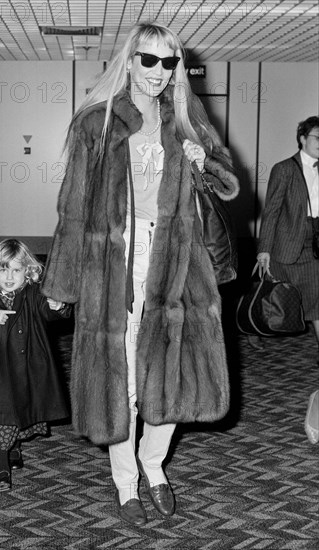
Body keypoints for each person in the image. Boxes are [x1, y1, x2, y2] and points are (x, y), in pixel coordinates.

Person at [42, 22, 239, 525]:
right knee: (123, 382)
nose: (158, 72)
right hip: (118, 265)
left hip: (178, 263)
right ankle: (126, 481)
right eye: (148, 60)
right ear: (128, 62)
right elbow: (73, 211)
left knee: (170, 378)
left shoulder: (186, 118)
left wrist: (205, 161)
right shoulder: (97, 123)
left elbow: (229, 182)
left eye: (168, 62)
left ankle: (155, 467)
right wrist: (62, 285)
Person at [0, 239, 71, 492]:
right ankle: (2, 469)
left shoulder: (33, 293)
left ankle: (13, 449)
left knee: (22, 410)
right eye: (3, 270)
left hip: (28, 364)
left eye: (16, 270)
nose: (9, 276)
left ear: (28, 272)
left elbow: (48, 310)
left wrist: (58, 306)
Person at [257, 116, 319, 365]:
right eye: (317, 137)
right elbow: (270, 211)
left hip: (315, 243)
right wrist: (264, 250)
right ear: (303, 139)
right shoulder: (284, 169)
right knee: (275, 302)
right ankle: (251, 329)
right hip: (288, 244)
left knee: (317, 301)